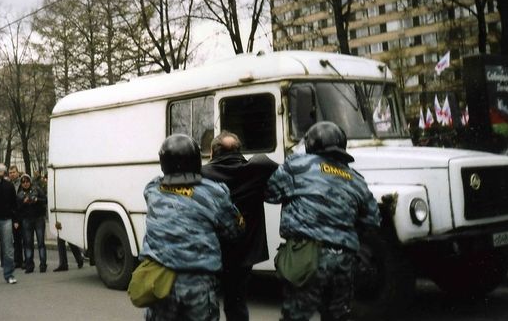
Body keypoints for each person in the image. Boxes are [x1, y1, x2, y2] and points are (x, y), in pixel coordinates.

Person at [265, 121, 381, 321]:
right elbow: (373, 220)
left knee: (296, 315)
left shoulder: (297, 166)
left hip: (308, 256)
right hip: (345, 259)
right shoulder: (356, 179)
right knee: (337, 315)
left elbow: (270, 194)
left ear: (311, 143)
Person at [140, 134, 244, 321]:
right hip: (198, 285)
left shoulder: (152, 190)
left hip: (159, 281)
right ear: (197, 160)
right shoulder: (215, 192)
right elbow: (234, 231)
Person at [201, 131, 278, 321]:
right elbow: (268, 164)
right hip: (243, 255)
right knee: (236, 303)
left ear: (212, 152)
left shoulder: (202, 175)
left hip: (211, 253)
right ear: (238, 151)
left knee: (206, 303)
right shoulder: (256, 171)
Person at [17, 174, 48, 273]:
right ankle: (29, 264)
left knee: (41, 243)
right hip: (26, 220)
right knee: (28, 243)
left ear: (30, 182)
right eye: (23, 182)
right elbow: (17, 208)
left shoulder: (37, 189)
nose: (26, 184)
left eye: (27, 181)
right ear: (21, 184)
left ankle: (43, 264)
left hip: (38, 218)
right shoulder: (20, 194)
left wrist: (36, 200)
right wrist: (23, 202)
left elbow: (45, 200)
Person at [8, 165, 25, 268]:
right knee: (16, 239)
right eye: (10, 173)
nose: (12, 174)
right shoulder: (9, 185)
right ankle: (17, 260)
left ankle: (25, 260)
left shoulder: (23, 183)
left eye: (14, 172)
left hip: (23, 213)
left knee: (24, 239)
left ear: (18, 172)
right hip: (13, 214)